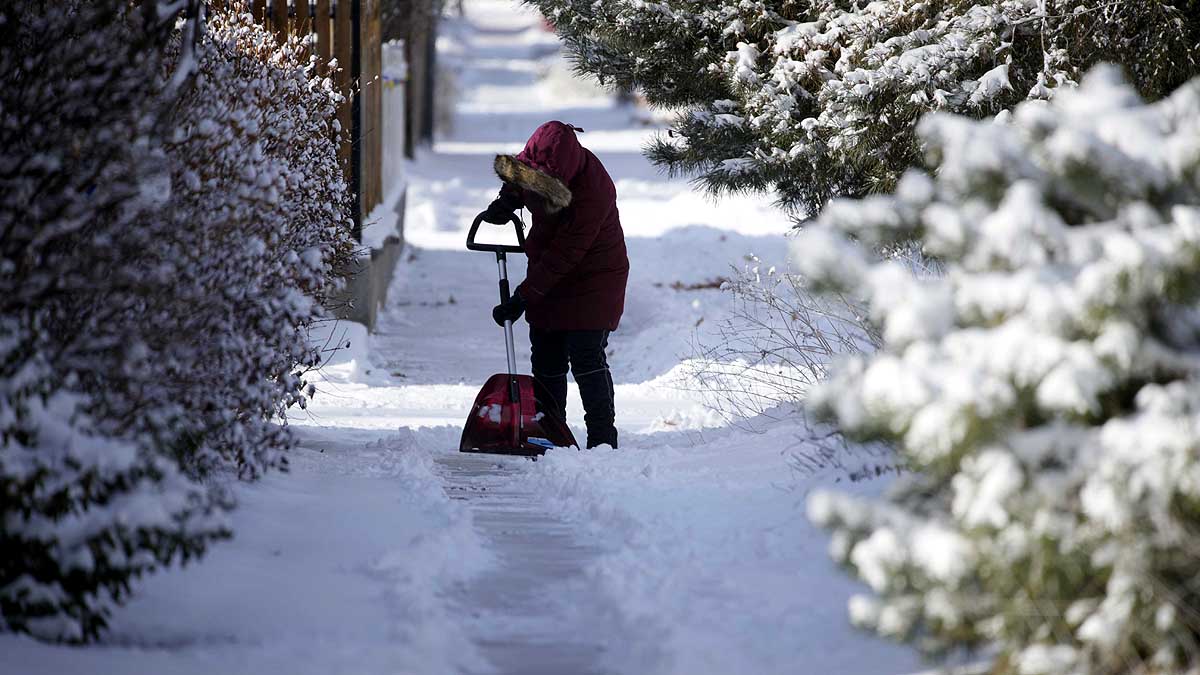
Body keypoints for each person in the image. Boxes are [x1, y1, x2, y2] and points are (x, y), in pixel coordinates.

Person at [482, 121, 629, 449]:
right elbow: (521, 177)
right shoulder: (536, 159)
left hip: (595, 276)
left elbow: (567, 253)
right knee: (546, 354)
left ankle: (603, 440)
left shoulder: (594, 188)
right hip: (549, 268)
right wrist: (508, 200)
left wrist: (523, 296)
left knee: (586, 355)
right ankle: (551, 433)